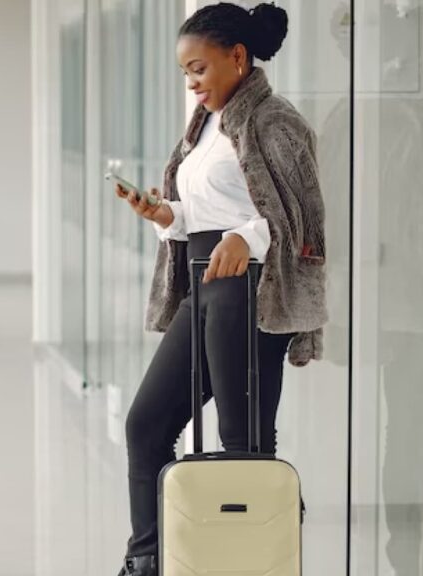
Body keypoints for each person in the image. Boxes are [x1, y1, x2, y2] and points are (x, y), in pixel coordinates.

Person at [112, 3, 326, 574]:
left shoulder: (275, 121)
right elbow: (209, 213)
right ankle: (149, 559)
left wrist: (249, 237)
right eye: (186, 72)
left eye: (199, 69)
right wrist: (165, 215)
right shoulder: (206, 126)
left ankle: (258, 556)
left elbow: (305, 222)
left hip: (254, 293)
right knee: (147, 424)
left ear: (238, 57)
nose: (192, 82)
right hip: (205, 288)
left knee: (245, 442)